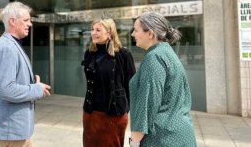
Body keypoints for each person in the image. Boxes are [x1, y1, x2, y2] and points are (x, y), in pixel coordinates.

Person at [0, 1, 51, 147]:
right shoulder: (7, 48)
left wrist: (32, 85)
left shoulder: (12, 44)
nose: (30, 24)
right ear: (12, 22)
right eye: (26, 20)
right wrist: (36, 89)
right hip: (12, 131)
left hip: (18, 130)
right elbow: (6, 90)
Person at [128, 11, 196, 147]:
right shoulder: (166, 52)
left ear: (150, 33)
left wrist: (134, 141)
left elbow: (148, 103)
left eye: (136, 30)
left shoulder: (154, 58)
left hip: (162, 138)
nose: (132, 34)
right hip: (178, 134)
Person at [81, 18, 136, 147]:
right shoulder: (89, 53)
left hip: (114, 115)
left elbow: (131, 85)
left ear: (110, 32)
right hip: (90, 113)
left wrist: (125, 109)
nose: (94, 33)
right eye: (92, 29)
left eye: (98, 30)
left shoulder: (123, 54)